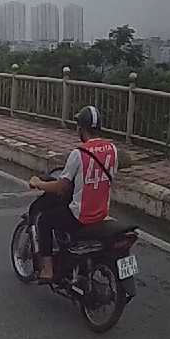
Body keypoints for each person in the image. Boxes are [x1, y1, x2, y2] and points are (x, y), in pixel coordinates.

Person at [27, 106, 131, 282]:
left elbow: (61, 187)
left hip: (80, 216)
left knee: (44, 220)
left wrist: (39, 184)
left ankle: (48, 270)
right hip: (102, 214)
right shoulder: (113, 149)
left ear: (81, 128)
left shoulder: (79, 153)